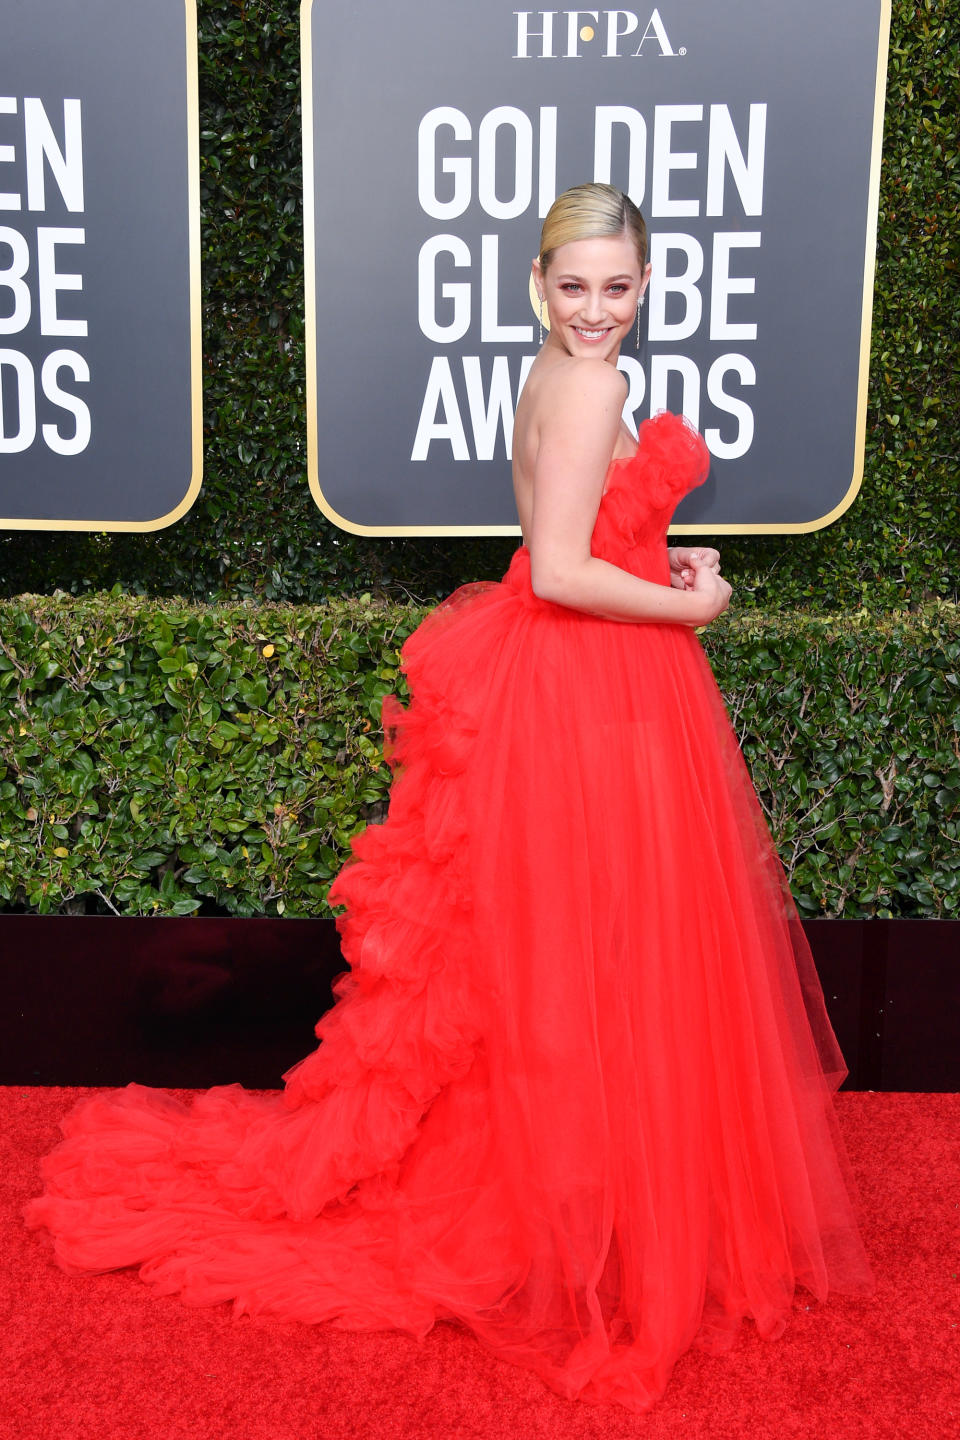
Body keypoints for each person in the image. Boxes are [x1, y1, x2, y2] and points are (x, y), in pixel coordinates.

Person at [24, 183, 875, 1416]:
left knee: (558, 963)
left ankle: (579, 1200)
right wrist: (695, 605)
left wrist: (664, 557)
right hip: (596, 691)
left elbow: (564, 541)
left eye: (617, 288)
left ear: (645, 286)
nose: (595, 310)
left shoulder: (554, 378)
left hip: (569, 681)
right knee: (601, 958)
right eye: (573, 286)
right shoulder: (585, 385)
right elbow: (570, 568)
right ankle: (586, 1223)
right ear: (539, 285)